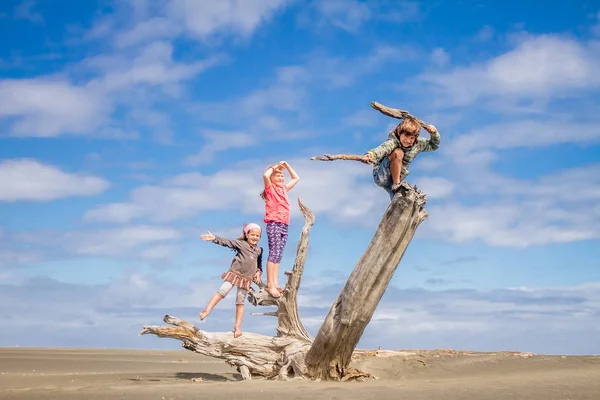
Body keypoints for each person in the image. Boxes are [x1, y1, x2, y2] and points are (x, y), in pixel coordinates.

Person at [198, 223, 263, 338]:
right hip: (234, 274)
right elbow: (228, 242)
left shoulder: (259, 250)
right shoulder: (241, 244)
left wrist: (258, 272)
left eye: (257, 236)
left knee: (240, 302)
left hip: (246, 279)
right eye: (252, 235)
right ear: (246, 234)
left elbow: (259, 263)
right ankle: (206, 311)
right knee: (222, 292)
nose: (255, 237)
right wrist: (214, 239)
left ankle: (237, 327)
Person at [364, 117, 440, 199]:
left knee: (403, 201)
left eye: (412, 138)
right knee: (398, 152)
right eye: (406, 136)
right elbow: (383, 149)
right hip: (381, 174)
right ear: (400, 133)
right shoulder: (393, 142)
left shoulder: (418, 144)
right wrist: (371, 154)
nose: (408, 140)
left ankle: (397, 192)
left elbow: (433, 145)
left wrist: (434, 133)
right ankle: (397, 185)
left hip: (395, 179)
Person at [260, 161, 299, 298]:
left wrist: (287, 166)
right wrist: (274, 167)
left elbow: (296, 178)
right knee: (273, 253)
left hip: (284, 224)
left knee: (279, 255)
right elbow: (265, 175)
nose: (281, 178)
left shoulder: (283, 189)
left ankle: (275, 283)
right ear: (272, 178)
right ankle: (270, 284)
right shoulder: (270, 189)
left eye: (282, 176)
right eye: (278, 176)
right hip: (274, 223)